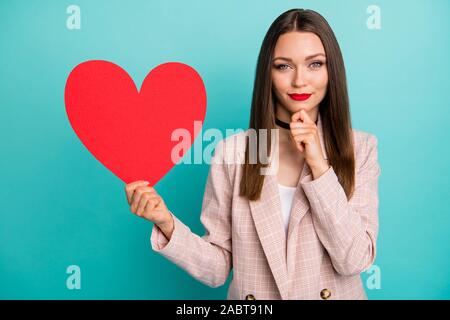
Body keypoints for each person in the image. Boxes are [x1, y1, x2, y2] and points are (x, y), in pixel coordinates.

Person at [124, 8, 381, 300]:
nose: (300, 81)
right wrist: (166, 222)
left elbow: (355, 260)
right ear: (267, 74)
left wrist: (319, 165)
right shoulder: (235, 152)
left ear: (332, 69)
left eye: (315, 64)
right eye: (284, 66)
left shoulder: (360, 148)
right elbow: (217, 268)